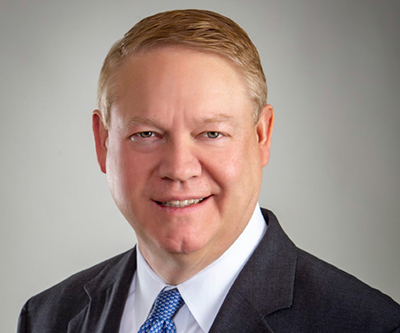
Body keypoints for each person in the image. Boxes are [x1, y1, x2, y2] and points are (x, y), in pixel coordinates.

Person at [18, 9, 400, 333]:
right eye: (147, 133)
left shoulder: (369, 324)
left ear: (262, 136)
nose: (179, 169)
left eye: (212, 133)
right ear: (103, 142)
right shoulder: (47, 317)